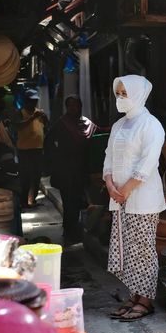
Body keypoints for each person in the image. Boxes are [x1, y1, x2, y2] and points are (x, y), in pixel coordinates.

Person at [104, 75, 165, 322]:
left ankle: (146, 300)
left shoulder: (151, 125)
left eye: (124, 93)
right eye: (118, 93)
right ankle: (134, 296)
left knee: (143, 249)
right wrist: (109, 182)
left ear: (138, 94)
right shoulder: (119, 126)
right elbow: (108, 155)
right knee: (127, 249)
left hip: (142, 198)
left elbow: (148, 162)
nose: (120, 98)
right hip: (119, 197)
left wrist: (126, 189)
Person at [45, 95, 98, 243]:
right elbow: (48, 142)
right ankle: (69, 233)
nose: (72, 108)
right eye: (70, 106)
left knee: (78, 202)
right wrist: (56, 161)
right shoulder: (61, 124)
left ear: (80, 106)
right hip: (65, 172)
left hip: (81, 170)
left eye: (75, 105)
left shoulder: (84, 123)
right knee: (69, 203)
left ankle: (75, 231)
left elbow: (96, 136)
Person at [16, 89, 48, 208]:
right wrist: (32, 118)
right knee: (25, 177)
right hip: (24, 150)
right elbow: (18, 126)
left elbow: (46, 127)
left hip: (38, 149)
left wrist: (45, 119)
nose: (33, 104)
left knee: (36, 176)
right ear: (26, 101)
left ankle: (32, 200)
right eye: (31, 101)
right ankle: (24, 202)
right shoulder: (20, 112)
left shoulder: (39, 113)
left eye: (35, 101)